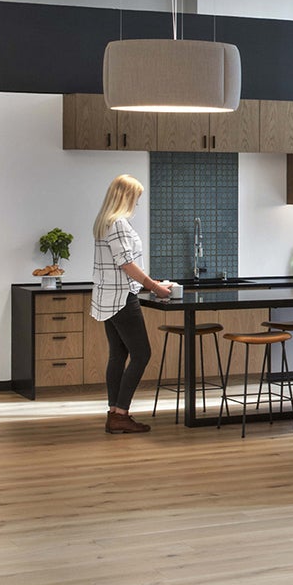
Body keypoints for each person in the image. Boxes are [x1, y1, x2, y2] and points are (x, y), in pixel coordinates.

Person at [91, 174, 173, 434]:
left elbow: (124, 264)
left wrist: (150, 281)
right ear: (126, 197)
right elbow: (126, 263)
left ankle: (115, 413)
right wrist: (154, 287)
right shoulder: (118, 224)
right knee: (142, 354)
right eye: (136, 198)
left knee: (119, 354)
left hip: (108, 297)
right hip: (121, 298)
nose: (137, 203)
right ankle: (121, 414)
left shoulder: (104, 222)